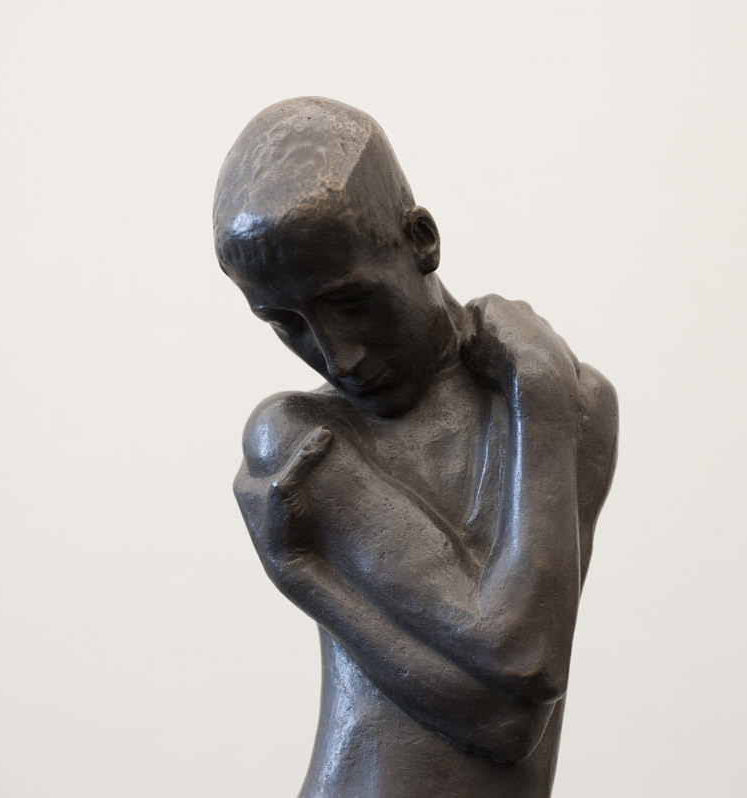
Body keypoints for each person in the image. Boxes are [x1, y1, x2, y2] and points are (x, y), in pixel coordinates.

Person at [214, 97, 618, 798]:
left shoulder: (569, 400)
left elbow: (515, 706)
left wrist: (307, 575)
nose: (336, 357)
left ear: (422, 239)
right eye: (286, 322)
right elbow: (517, 677)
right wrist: (540, 399)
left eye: (350, 301)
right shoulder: (299, 439)